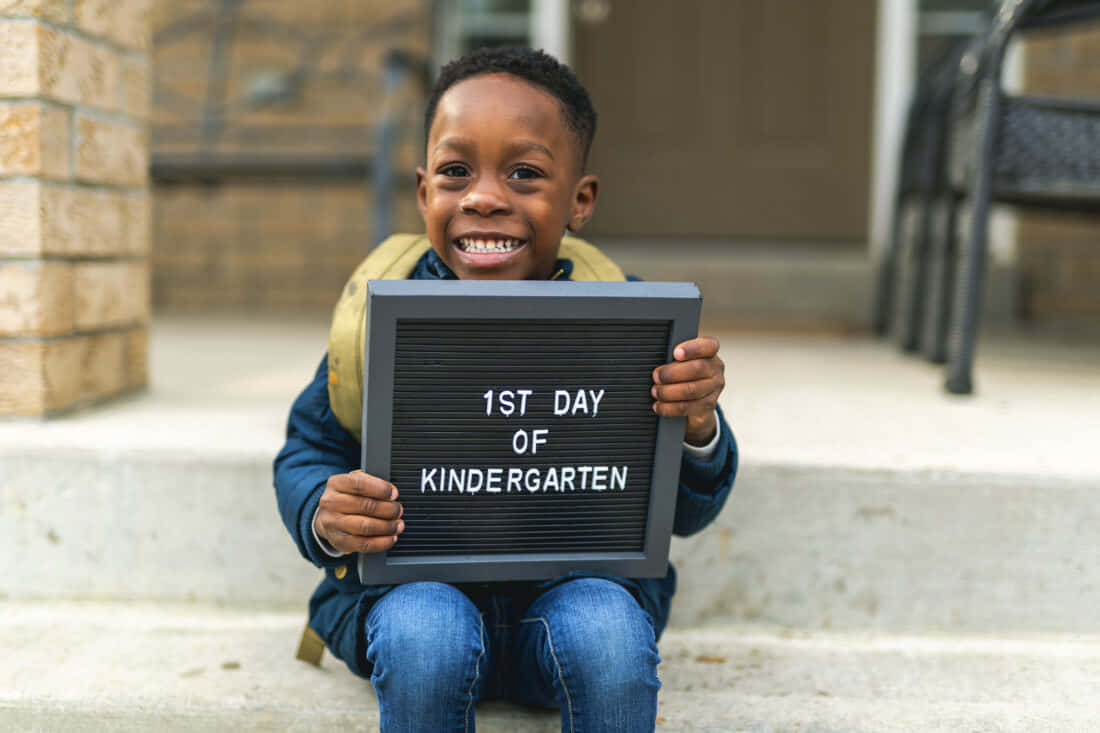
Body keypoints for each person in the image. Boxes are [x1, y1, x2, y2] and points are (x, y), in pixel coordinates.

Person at [274, 47, 737, 733]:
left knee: (609, 638)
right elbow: (309, 448)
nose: (485, 197)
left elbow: (686, 513)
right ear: (426, 191)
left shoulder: (630, 322)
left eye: (524, 174)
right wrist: (324, 510)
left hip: (573, 595)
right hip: (413, 594)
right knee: (425, 637)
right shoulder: (378, 319)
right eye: (457, 172)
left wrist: (697, 425)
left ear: (580, 201)